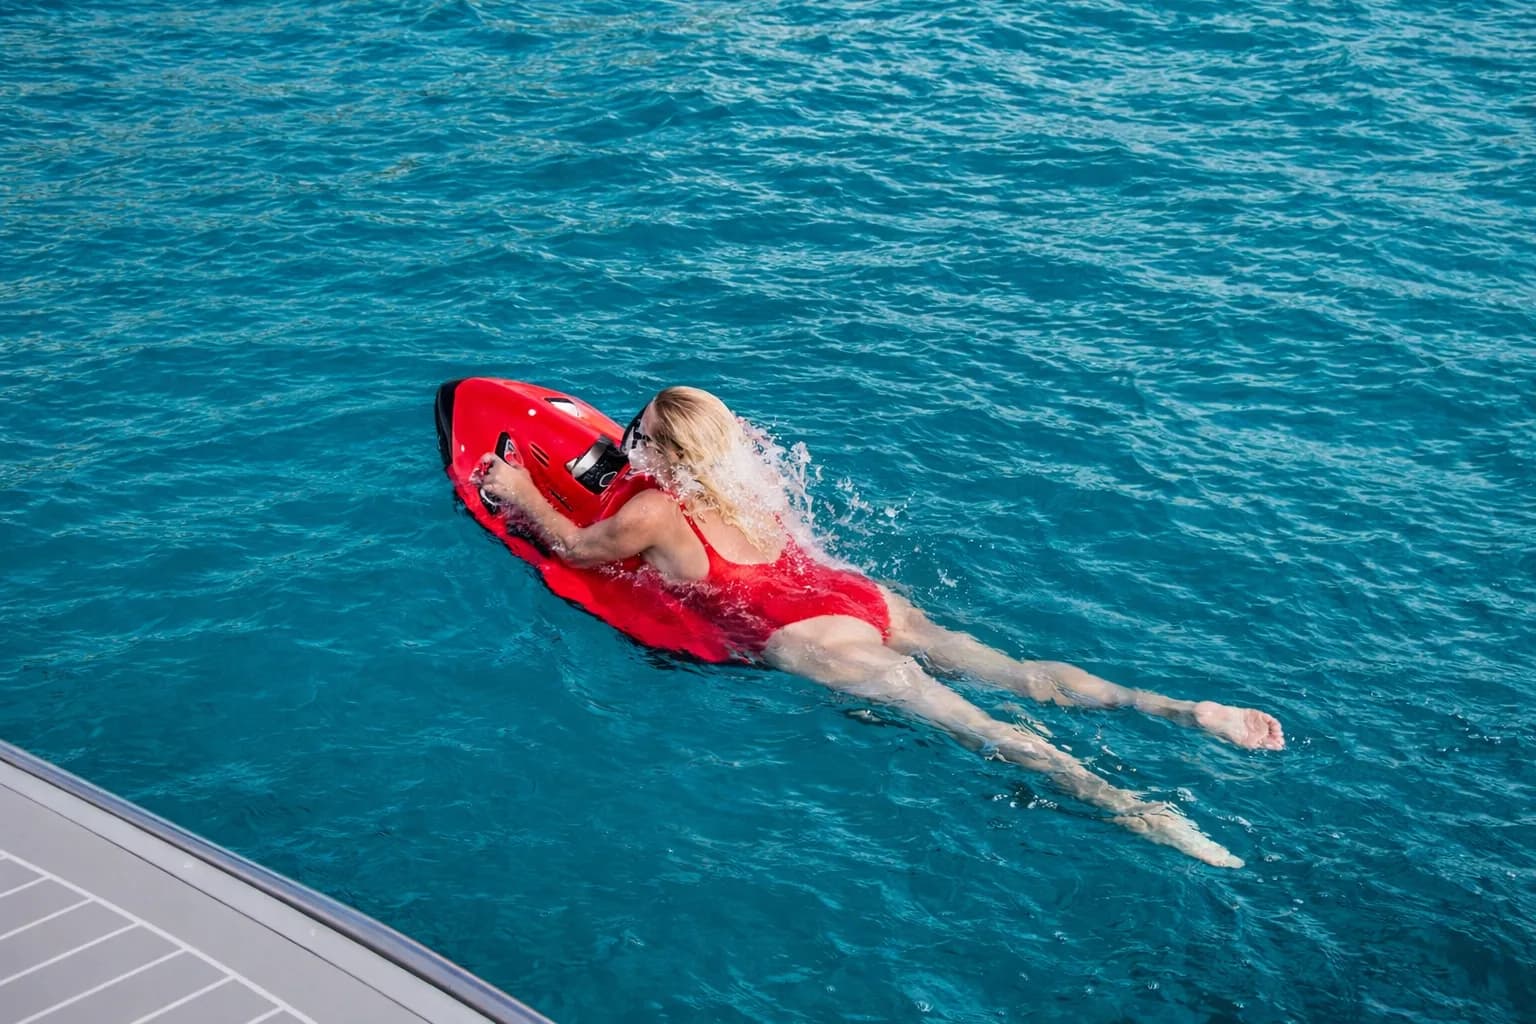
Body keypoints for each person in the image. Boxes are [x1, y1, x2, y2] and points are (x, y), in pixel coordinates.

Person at [474, 386, 1284, 867]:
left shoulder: (652, 509)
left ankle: (1143, 815)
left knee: (983, 730)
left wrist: (516, 489)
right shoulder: (748, 478)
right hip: (854, 596)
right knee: (1015, 671)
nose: (624, 436)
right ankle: (1184, 711)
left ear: (659, 447)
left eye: (635, 428)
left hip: (810, 638)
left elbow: (574, 545)